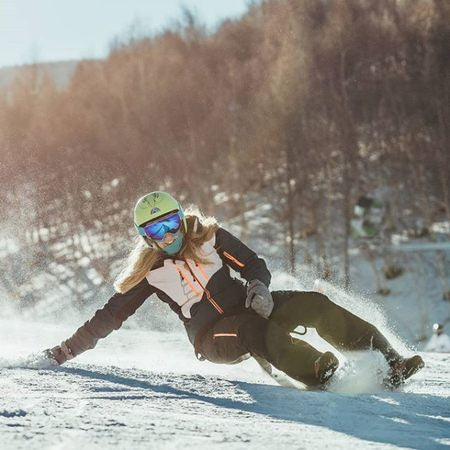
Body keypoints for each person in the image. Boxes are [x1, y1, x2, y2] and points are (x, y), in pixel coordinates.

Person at [44, 191, 424, 387]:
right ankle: (319, 372)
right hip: (214, 338)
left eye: (172, 223)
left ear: (181, 217)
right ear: (146, 238)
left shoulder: (208, 236)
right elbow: (109, 316)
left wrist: (260, 287)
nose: (170, 235)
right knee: (249, 330)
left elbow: (253, 263)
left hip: (250, 305)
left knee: (315, 304)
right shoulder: (150, 272)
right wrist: (66, 350)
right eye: (157, 232)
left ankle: (390, 361)